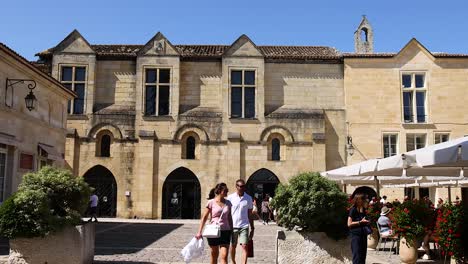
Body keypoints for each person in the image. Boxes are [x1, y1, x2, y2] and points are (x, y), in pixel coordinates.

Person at [196, 183, 233, 264]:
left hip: (225, 231)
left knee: (224, 255)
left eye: (227, 190)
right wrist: (199, 232)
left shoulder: (229, 203)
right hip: (213, 231)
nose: (227, 192)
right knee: (214, 254)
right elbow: (204, 218)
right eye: (225, 190)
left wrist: (232, 230)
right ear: (219, 191)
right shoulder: (211, 202)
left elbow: (229, 218)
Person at [227, 179, 254, 264]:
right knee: (233, 246)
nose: (240, 188)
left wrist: (252, 227)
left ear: (244, 187)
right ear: (236, 186)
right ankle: (233, 261)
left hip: (244, 226)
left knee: (244, 246)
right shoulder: (230, 198)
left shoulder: (248, 198)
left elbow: (250, 214)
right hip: (233, 226)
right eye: (238, 186)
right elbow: (227, 213)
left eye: (242, 186)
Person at [347, 193, 370, 264]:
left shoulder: (362, 209)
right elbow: (349, 224)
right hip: (356, 236)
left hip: (363, 235)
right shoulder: (353, 210)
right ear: (359, 200)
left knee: (363, 256)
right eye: (363, 199)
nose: (365, 201)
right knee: (357, 255)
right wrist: (360, 222)